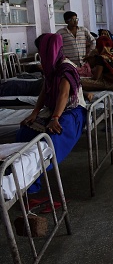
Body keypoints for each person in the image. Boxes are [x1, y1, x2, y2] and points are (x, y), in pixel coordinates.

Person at [18, 33, 86, 191]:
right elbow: (45, 89)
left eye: (42, 50)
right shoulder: (51, 66)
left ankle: (34, 169)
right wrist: (35, 112)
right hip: (52, 109)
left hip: (72, 110)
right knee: (24, 131)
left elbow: (63, 94)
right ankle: (26, 181)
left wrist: (55, 118)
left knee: (53, 136)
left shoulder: (66, 67)